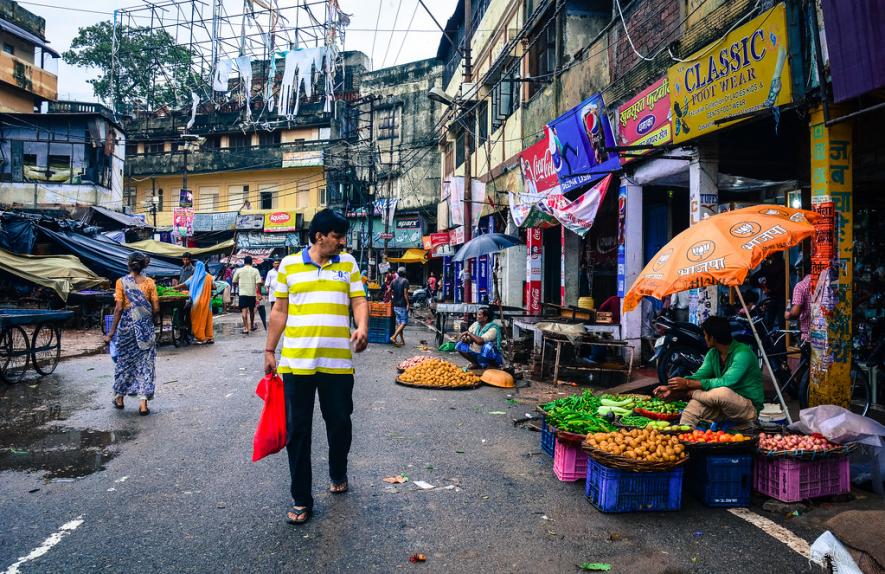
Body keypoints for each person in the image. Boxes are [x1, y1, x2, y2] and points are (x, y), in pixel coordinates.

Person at [263, 209, 368, 526]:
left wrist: (362, 326)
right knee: (298, 431)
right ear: (320, 235)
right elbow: (280, 310)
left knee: (339, 423)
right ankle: (301, 498)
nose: (341, 241)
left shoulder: (347, 264)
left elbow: (359, 300)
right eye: (337, 236)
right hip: (297, 362)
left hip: (337, 363)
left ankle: (338, 469)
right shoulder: (289, 266)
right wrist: (269, 349)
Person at [654, 316, 763, 430]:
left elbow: (726, 382)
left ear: (713, 338)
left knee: (722, 392)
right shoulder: (713, 353)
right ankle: (683, 438)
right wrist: (672, 388)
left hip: (748, 409)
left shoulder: (743, 353)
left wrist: (687, 387)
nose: (704, 338)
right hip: (723, 407)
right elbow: (699, 376)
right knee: (694, 406)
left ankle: (687, 394)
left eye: (706, 335)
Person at [104, 252, 159, 416]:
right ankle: (143, 404)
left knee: (124, 363)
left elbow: (119, 308)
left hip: (127, 328)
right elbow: (156, 307)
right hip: (145, 329)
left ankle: (119, 398)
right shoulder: (150, 283)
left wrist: (111, 332)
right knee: (146, 364)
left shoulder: (121, 282)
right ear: (144, 266)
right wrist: (149, 321)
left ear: (129, 265)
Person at [176, 260, 214, 344]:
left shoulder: (194, 277)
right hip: (207, 303)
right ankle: (209, 337)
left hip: (196, 302)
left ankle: (201, 337)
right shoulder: (209, 277)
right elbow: (214, 287)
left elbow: (184, 284)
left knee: (198, 319)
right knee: (207, 319)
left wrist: (173, 288)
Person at [233, 255, 262, 335]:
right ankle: (252, 325)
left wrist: (238, 285)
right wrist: (258, 293)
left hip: (242, 293)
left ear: (244, 262)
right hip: (252, 293)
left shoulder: (239, 270)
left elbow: (234, 281)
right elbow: (259, 283)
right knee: (251, 311)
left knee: (244, 311)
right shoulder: (255, 270)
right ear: (251, 262)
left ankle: (245, 328)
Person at [785, 273, 812, 342]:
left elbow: (795, 313)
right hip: (828, 334)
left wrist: (787, 314)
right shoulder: (829, 282)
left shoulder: (801, 286)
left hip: (809, 336)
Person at [389, 267, 409, 347]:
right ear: (404, 273)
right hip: (402, 305)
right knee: (404, 322)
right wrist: (408, 303)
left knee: (399, 324)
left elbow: (388, 290)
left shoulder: (393, 281)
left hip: (395, 305)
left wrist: (391, 298)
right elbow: (405, 294)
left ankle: (402, 341)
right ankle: (394, 337)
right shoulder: (405, 281)